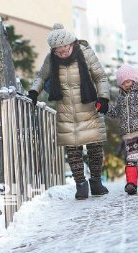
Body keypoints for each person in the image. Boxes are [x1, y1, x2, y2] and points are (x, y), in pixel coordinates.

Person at [28, 23, 110, 200]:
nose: (63, 53)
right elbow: (41, 77)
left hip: (89, 106)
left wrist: (103, 97)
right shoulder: (51, 60)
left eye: (65, 49)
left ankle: (96, 181)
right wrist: (34, 92)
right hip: (66, 110)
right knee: (73, 150)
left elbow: (100, 76)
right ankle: (80, 184)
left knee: (95, 147)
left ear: (71, 43)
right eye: (59, 51)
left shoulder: (86, 53)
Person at [105, 64, 138, 195]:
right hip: (129, 133)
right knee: (131, 157)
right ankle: (131, 183)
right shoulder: (121, 96)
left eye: (128, 81)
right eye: (122, 83)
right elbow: (118, 112)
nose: (126, 85)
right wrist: (105, 108)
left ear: (134, 79)